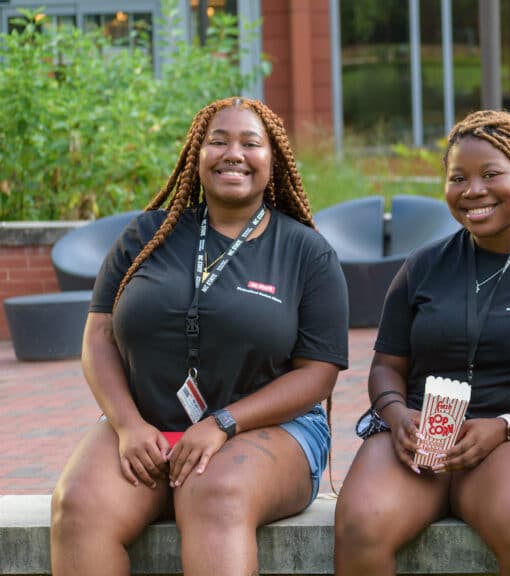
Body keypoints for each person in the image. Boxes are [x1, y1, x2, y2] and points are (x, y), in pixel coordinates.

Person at [49, 97, 349, 575]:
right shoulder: (147, 235)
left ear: (273, 160)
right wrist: (127, 424)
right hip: (146, 424)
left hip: (270, 429)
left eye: (251, 143)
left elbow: (318, 375)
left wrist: (223, 423)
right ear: (197, 154)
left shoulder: (308, 253)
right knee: (78, 507)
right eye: (218, 141)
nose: (234, 154)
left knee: (213, 492)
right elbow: (99, 335)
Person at [334, 110, 510, 575]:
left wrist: (504, 426)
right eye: (458, 178)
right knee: (360, 525)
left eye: (491, 175)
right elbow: (386, 366)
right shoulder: (423, 265)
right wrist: (397, 416)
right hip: (418, 438)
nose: (473, 190)